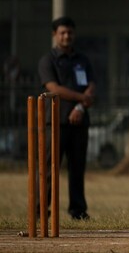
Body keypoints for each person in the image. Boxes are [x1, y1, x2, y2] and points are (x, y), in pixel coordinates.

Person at [38, 16, 96, 220]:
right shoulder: (48, 60)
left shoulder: (82, 60)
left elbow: (92, 86)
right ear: (55, 35)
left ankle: (78, 210)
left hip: (79, 121)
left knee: (77, 168)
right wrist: (82, 98)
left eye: (69, 32)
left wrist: (80, 106)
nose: (66, 36)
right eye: (62, 33)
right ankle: (40, 211)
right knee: (48, 167)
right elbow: (53, 88)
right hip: (54, 121)